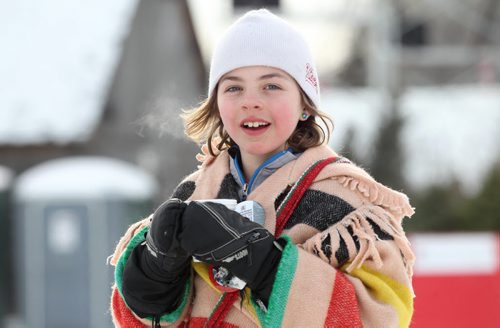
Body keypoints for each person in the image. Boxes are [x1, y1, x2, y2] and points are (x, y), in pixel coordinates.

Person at [109, 9, 415, 328]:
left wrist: (267, 267)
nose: (250, 101)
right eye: (233, 88)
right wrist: (154, 274)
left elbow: (382, 318)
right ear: (216, 105)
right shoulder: (194, 194)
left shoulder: (348, 206)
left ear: (305, 104)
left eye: (271, 86)